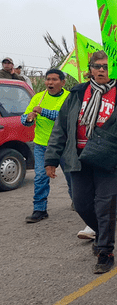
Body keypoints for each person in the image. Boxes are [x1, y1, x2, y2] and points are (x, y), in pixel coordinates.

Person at [44, 51, 117, 274]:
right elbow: (61, 127)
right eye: (97, 66)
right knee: (81, 204)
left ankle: (105, 252)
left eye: (106, 66)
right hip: (79, 158)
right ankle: (101, 234)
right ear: (90, 69)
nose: (102, 70)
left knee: (105, 206)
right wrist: (51, 158)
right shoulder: (77, 93)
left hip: (110, 160)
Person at [21, 69, 72, 223]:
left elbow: (64, 118)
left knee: (72, 177)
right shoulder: (38, 97)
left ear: (63, 82)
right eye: (48, 79)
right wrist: (29, 118)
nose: (50, 82)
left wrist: (43, 111)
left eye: (54, 79)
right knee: (41, 178)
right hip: (42, 145)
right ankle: (39, 209)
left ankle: (78, 201)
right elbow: (24, 119)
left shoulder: (68, 97)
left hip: (64, 145)